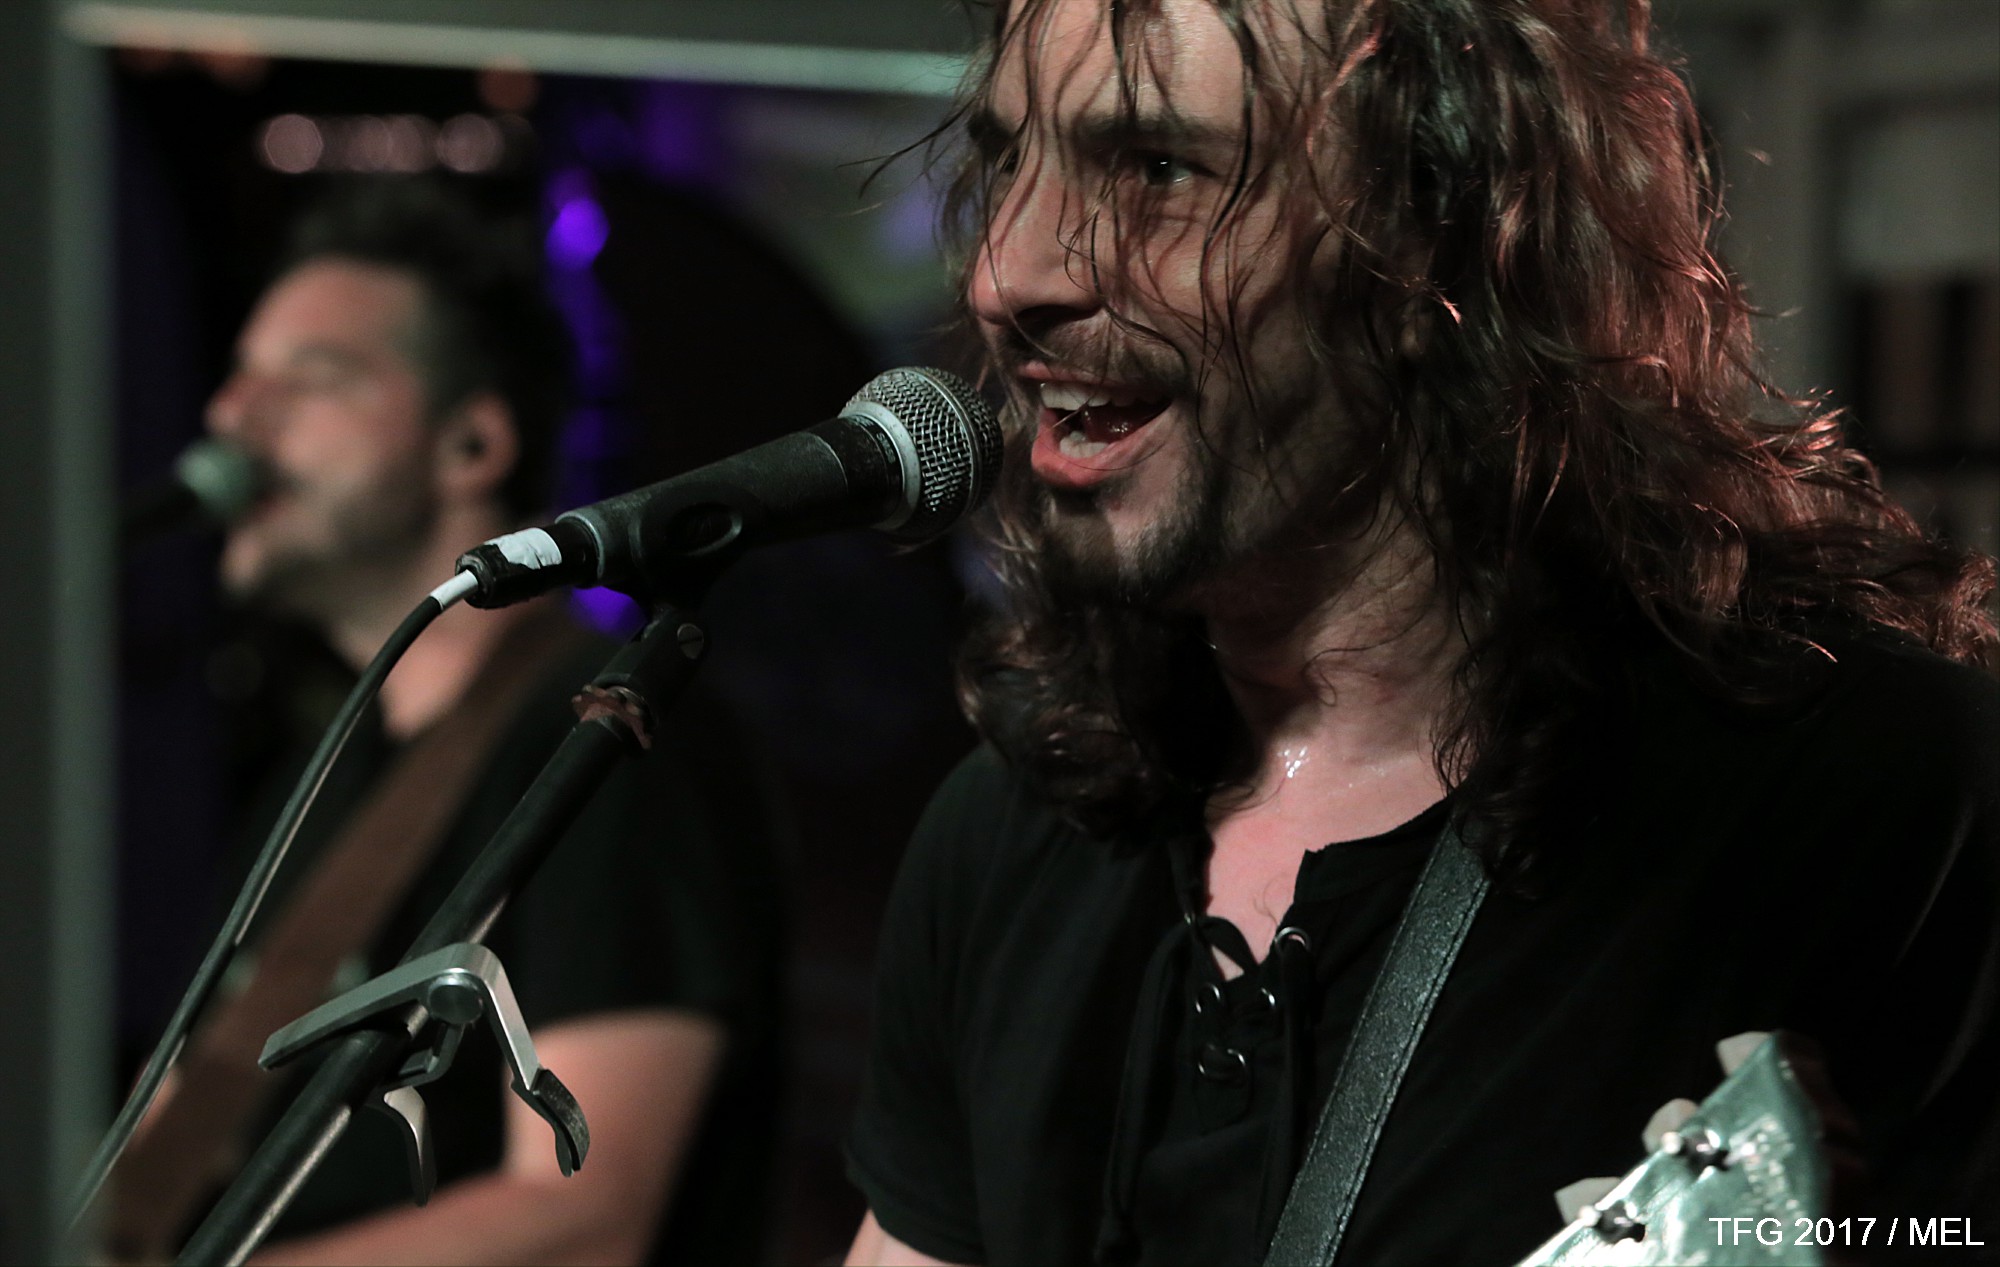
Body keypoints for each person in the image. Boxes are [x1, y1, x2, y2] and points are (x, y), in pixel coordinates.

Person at [841, 2, 2000, 1264]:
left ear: (1435, 240)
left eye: (1158, 169)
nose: (1005, 275)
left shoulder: (1868, 793)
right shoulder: (1011, 830)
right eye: (1012, 158)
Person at [126, 181, 784, 1265]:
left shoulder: (607, 739)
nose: (233, 416)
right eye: (242, 374)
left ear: (472, 443)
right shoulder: (326, 777)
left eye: (310, 377)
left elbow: (584, 1216)